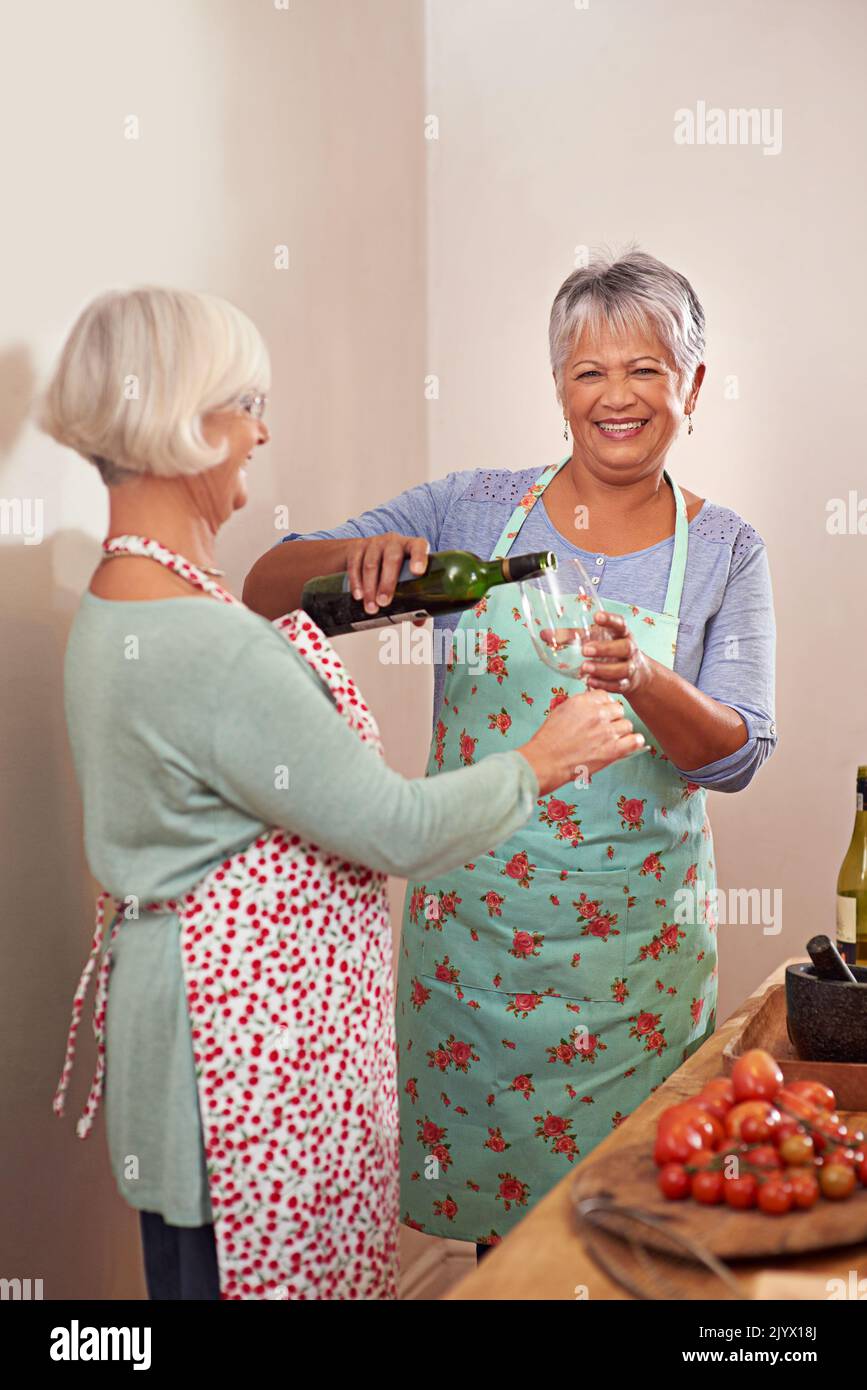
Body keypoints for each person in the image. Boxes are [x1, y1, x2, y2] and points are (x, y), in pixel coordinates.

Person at [40, 285, 641, 1299]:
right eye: (245, 406)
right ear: (184, 420)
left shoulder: (121, 601)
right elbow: (397, 828)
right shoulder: (204, 642)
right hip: (245, 1072)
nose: (258, 433)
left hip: (196, 1046)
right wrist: (548, 753)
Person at [244, 249, 778, 1252]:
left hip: (637, 974)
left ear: (693, 385)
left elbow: (741, 754)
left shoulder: (726, 548)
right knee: (509, 1258)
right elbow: (262, 584)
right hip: (474, 965)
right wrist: (353, 563)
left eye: (646, 369)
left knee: (633, 1236)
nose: (616, 396)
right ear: (558, 389)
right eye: (589, 372)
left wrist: (648, 681)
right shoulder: (474, 510)